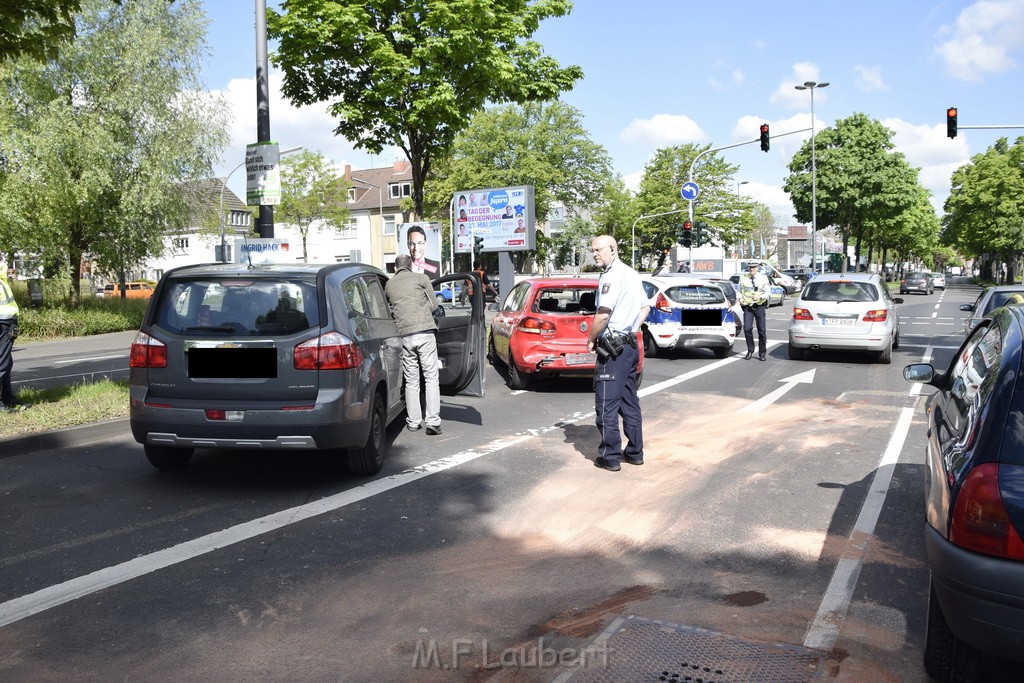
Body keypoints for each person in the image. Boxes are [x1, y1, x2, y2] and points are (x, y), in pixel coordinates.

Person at [587, 235, 649, 472]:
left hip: (613, 350)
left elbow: (603, 314)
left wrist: (591, 339)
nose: (595, 254)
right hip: (630, 346)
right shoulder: (631, 273)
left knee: (606, 405)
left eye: (598, 250)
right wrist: (631, 329)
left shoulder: (612, 276)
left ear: (612, 249)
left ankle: (610, 456)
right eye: (593, 250)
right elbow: (644, 307)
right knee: (629, 402)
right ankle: (635, 452)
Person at [384, 254, 442, 435]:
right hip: (425, 332)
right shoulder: (421, 278)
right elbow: (434, 305)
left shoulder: (388, 285)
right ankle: (432, 421)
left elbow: (388, 310)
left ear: (395, 268)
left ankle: (413, 422)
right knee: (431, 377)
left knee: (411, 380)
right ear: (411, 266)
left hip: (405, 336)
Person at [0, 276, 25, 412]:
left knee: (6, 363)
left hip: (7, 323)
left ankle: (8, 398)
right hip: (2, 324)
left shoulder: (1, 278)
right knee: (2, 364)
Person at [738, 260, 771, 361]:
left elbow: (768, 292)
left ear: (757, 268)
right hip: (748, 307)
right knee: (747, 329)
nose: (752, 269)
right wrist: (740, 299)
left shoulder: (763, 278)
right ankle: (750, 350)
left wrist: (761, 296)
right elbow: (738, 291)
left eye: (754, 267)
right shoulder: (743, 278)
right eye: (750, 267)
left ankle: (762, 353)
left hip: (759, 306)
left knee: (761, 331)